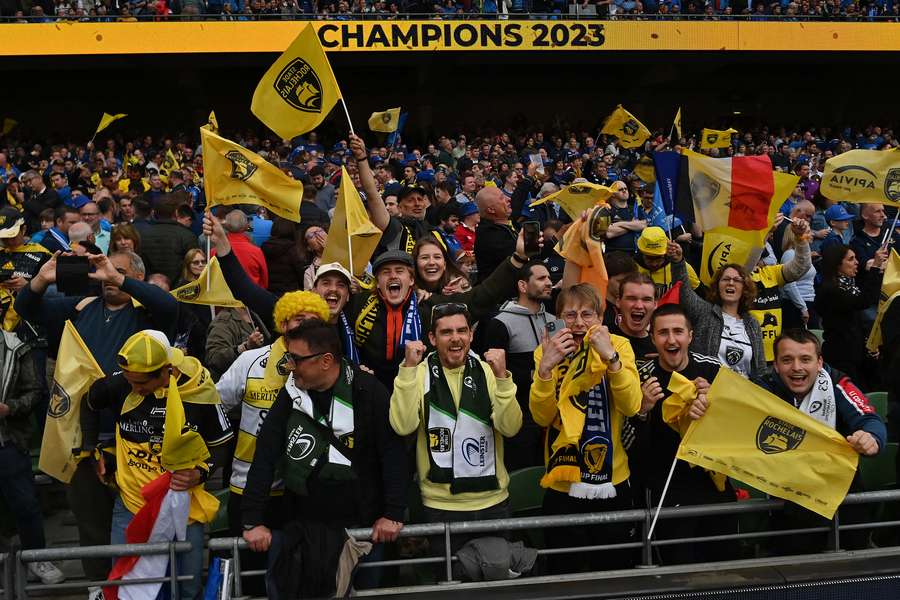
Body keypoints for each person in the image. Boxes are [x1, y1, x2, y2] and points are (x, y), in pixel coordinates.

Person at [15, 250, 178, 590]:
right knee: (89, 518)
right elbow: (26, 309)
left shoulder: (146, 312)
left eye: (117, 273)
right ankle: (96, 587)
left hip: (137, 439)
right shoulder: (82, 306)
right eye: (101, 271)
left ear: (134, 276)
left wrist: (118, 278)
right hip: (83, 435)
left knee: (140, 522)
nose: (104, 278)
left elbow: (169, 307)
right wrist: (43, 279)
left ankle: (144, 588)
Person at [241, 320, 407, 596]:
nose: (290, 366)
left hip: (363, 529)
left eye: (296, 359)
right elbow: (265, 456)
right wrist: (252, 520)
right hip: (302, 529)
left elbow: (393, 454)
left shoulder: (369, 391)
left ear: (326, 361)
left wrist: (393, 513)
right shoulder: (290, 394)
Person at [82, 330, 232, 600]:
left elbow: (222, 443)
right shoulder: (122, 383)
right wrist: (91, 449)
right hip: (131, 503)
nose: (134, 389)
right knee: (127, 586)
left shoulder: (200, 389)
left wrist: (201, 473)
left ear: (167, 371)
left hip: (183, 505)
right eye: (130, 382)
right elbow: (89, 402)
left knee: (187, 587)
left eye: (140, 384)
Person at [216, 292, 331, 594]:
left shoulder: (327, 368)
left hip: (302, 492)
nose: (305, 324)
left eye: (312, 319)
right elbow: (213, 406)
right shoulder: (250, 360)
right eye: (298, 318)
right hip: (250, 488)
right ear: (282, 322)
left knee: (299, 575)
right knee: (253, 582)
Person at [529, 283, 642, 573]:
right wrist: (545, 370)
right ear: (557, 319)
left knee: (615, 569)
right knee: (566, 572)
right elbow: (542, 418)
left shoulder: (619, 346)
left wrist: (611, 360)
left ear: (600, 319)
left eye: (587, 314)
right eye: (570, 315)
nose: (579, 322)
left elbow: (632, 406)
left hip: (613, 480)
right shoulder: (546, 352)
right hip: (563, 483)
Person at [390, 303, 521, 539]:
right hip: (441, 506)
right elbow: (403, 426)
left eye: (462, 331)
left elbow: (510, 428)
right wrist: (408, 370)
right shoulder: (417, 373)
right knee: (449, 576)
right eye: (446, 332)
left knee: (496, 575)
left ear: (471, 335)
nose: (455, 338)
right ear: (432, 338)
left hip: (492, 501)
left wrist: (502, 378)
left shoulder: (490, 371)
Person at [755, 329, 886, 554]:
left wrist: (871, 438)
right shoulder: (762, 388)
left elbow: (870, 419)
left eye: (805, 359)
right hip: (788, 501)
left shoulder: (837, 383)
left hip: (842, 496)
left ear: (819, 363)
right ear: (775, 365)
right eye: (787, 360)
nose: (797, 367)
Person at [629, 304, 736, 565]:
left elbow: (737, 427)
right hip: (666, 492)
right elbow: (630, 449)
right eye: (663, 333)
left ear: (690, 335)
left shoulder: (712, 370)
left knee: (726, 569)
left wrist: (717, 402)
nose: (672, 339)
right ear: (652, 338)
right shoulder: (639, 378)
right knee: (678, 573)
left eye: (678, 331)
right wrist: (642, 411)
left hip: (714, 487)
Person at [0, 325, 65, 585]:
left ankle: (37, 559)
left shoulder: (15, 347)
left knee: (25, 504)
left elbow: (36, 392)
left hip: (8, 440)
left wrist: (9, 408)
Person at [481, 261, 554, 470]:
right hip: (519, 418)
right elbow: (494, 372)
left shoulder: (553, 320)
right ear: (523, 286)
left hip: (552, 415)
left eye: (549, 278)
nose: (549, 282)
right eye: (541, 278)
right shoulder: (500, 323)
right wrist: (535, 374)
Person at [671, 241, 765, 379]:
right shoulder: (704, 312)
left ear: (745, 288)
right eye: (725, 279)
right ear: (717, 286)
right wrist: (678, 262)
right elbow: (683, 292)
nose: (731, 283)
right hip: (708, 392)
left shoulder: (752, 324)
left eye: (737, 280)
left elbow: (760, 369)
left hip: (743, 396)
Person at [815, 244, 886, 388]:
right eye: (851, 259)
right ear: (837, 264)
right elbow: (863, 301)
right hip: (841, 355)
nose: (856, 262)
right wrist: (875, 267)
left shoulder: (848, 285)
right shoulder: (830, 290)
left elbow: (858, 318)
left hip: (857, 352)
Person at [140, 196, 200, 286]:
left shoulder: (142, 235)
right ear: (176, 212)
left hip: (150, 289)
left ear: (154, 213)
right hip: (181, 291)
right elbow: (195, 266)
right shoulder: (187, 235)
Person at [635, 226, 700, 296]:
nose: (654, 264)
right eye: (649, 258)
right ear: (642, 253)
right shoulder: (633, 269)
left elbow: (700, 294)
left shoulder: (682, 268)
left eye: (659, 258)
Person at [473, 185, 517, 283]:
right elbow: (526, 255)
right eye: (502, 197)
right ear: (491, 210)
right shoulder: (489, 235)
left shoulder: (505, 226)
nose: (508, 199)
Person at [610, 272, 658, 359]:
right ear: (618, 302)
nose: (639, 306)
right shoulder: (605, 340)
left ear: (655, 305)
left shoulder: (661, 348)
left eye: (646, 299)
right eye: (631, 299)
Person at [218, 209, 268, 289]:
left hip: (224, 298)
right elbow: (264, 281)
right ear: (246, 226)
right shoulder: (256, 252)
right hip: (252, 297)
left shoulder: (216, 251)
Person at [602, 180, 646, 254]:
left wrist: (619, 224)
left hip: (635, 253)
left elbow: (644, 225)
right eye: (620, 189)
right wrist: (633, 225)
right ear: (613, 194)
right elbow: (608, 233)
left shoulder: (635, 209)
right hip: (614, 254)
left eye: (626, 189)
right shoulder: (608, 209)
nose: (624, 191)